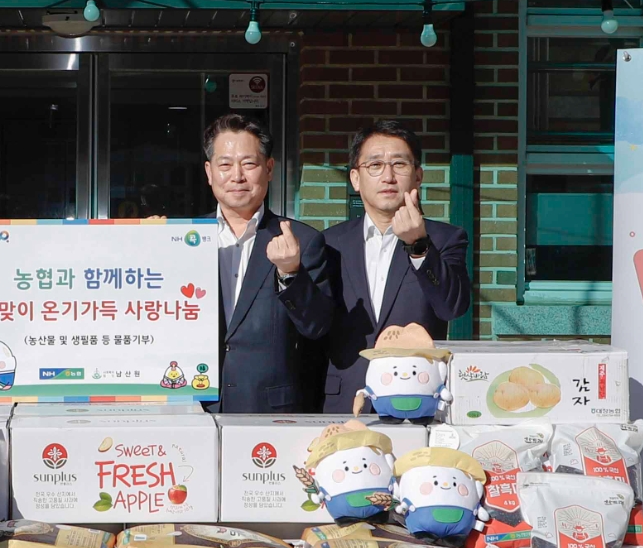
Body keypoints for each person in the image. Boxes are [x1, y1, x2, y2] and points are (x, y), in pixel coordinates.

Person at [321, 119, 471, 414]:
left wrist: (419, 245)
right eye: (374, 165)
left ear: (418, 176)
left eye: (399, 165)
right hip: (344, 400)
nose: (388, 176)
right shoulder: (329, 243)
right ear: (355, 178)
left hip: (416, 398)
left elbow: (452, 307)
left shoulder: (444, 238)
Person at [202, 113, 333, 413]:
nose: (237, 176)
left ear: (269, 168)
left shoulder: (303, 240)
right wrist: (152, 243)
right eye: (225, 165)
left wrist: (290, 273)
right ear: (209, 172)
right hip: (194, 405)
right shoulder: (183, 239)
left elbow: (317, 327)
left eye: (248, 164)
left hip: (268, 411)